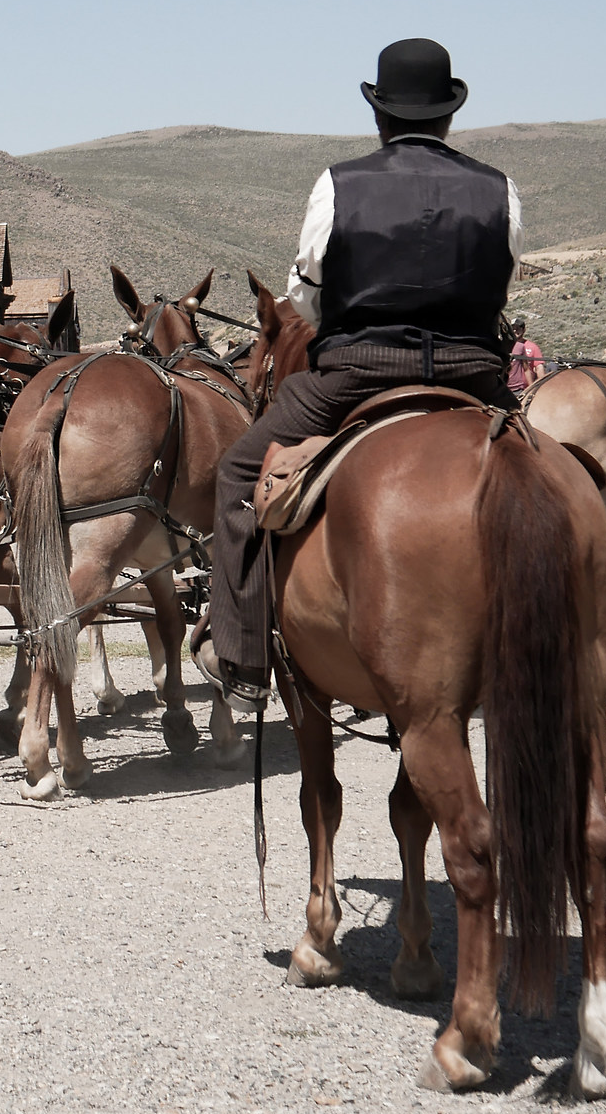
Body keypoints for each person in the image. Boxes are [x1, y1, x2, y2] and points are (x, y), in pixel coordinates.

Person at [209, 38, 522, 706]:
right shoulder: (499, 189)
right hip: (475, 377)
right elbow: (502, 281)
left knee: (237, 474)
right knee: (555, 466)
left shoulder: (339, 184)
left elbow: (304, 297)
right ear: (449, 116)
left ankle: (244, 660)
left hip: (356, 373)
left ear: (379, 115)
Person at [506, 317, 543, 396]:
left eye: (518, 328)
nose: (515, 331)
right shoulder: (503, 345)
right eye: (513, 328)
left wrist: (539, 388)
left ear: (523, 330)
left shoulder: (532, 347)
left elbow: (538, 367)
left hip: (522, 389)